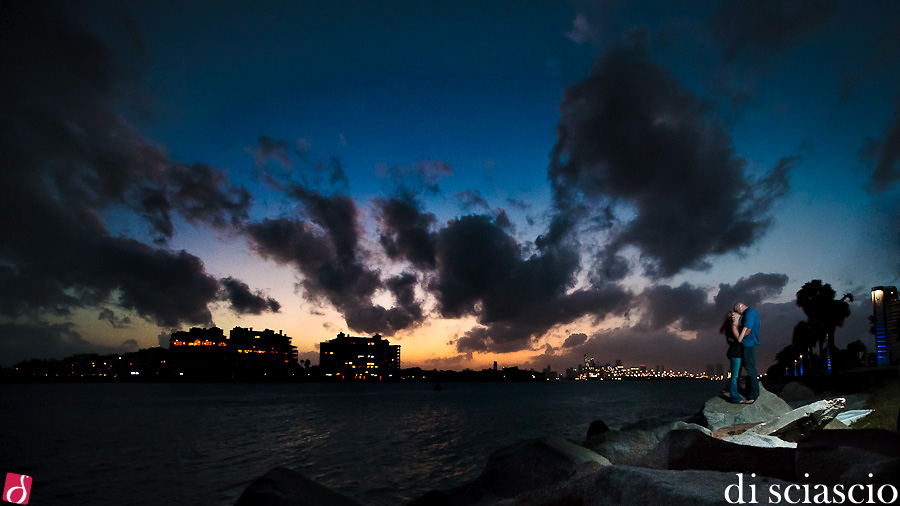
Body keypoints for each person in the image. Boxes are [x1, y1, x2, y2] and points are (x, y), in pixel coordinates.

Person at [733, 301, 760, 404]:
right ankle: (751, 394)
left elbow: (747, 329)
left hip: (748, 344)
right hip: (750, 343)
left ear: (740, 306)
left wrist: (740, 337)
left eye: (737, 311)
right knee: (749, 369)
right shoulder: (751, 312)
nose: (738, 314)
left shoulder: (749, 313)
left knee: (750, 369)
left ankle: (753, 396)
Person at [719, 311, 743, 403]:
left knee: (733, 373)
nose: (738, 315)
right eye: (736, 314)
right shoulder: (733, 327)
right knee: (735, 376)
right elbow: (738, 340)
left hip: (733, 353)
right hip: (735, 353)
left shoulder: (730, 327)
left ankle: (728, 388)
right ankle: (734, 397)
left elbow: (732, 340)